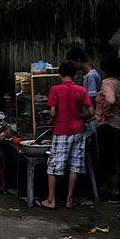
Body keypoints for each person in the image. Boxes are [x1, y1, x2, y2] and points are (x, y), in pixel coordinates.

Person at [36, 61, 93, 210]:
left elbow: (53, 112)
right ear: (75, 75)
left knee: (54, 166)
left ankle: (51, 200)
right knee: (75, 165)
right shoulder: (81, 90)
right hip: (79, 131)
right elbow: (91, 112)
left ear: (59, 74)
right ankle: (69, 200)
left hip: (62, 130)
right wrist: (81, 117)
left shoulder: (55, 89)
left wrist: (52, 119)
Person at [95, 54, 120, 200]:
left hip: (108, 125)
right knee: (117, 156)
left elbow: (110, 100)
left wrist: (105, 114)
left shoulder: (107, 83)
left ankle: (113, 190)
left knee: (109, 157)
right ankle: (113, 188)